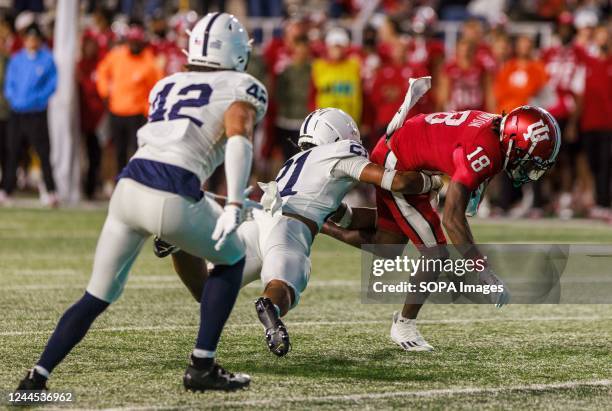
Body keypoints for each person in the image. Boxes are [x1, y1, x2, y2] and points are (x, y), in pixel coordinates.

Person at [16, 12, 267, 393]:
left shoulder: (166, 84)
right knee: (232, 259)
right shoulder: (242, 86)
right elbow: (238, 133)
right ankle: (202, 366)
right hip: (171, 192)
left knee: (96, 294)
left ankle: (37, 377)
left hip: (129, 188)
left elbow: (169, 146)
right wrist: (233, 202)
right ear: (236, 52)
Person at [153, 104, 442, 357]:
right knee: (285, 283)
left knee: (207, 290)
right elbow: (397, 182)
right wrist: (434, 183)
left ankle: (179, 245)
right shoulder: (341, 153)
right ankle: (271, 308)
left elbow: (348, 218)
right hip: (289, 228)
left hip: (260, 220)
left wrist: (383, 222)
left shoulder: (297, 163)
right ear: (339, 134)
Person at [322, 85, 561, 351]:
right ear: (516, 142)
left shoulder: (497, 129)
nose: (528, 168)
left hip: (402, 150)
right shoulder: (486, 150)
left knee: (386, 244)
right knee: (436, 255)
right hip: (399, 165)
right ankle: (404, 324)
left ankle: (328, 218)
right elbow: (452, 219)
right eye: (529, 160)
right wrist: (483, 271)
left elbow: (471, 156)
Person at [3, 23, 57, 206]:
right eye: (29, 38)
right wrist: (14, 99)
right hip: (17, 112)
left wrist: (37, 100)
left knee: (42, 152)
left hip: (36, 113)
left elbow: (52, 84)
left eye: (35, 38)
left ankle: (50, 190)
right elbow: (10, 84)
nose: (32, 41)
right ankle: (6, 189)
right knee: (12, 151)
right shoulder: (17, 59)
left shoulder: (47, 59)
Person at [96, 24, 162, 175]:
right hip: (116, 111)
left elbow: (158, 86)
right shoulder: (117, 55)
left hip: (137, 114)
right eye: (132, 41)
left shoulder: (149, 61)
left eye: (137, 41)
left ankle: (136, 180)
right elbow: (102, 71)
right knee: (117, 150)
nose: (134, 44)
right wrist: (105, 92)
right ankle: (118, 179)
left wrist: (147, 109)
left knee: (137, 150)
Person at [568, 25, 612, 220]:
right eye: (599, 37)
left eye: (606, 37)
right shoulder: (588, 63)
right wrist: (573, 123)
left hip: (609, 124)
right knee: (591, 163)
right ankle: (593, 198)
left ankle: (603, 202)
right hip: (588, 123)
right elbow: (577, 48)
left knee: (605, 163)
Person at [310, 27, 362, 125]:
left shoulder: (354, 65)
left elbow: (360, 94)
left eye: (340, 46)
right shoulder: (318, 66)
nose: (337, 50)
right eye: (334, 46)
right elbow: (312, 94)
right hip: (324, 121)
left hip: (349, 121)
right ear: (328, 47)